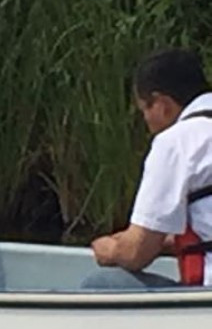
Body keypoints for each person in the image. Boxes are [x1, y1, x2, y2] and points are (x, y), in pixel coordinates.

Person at [83, 48, 212, 288]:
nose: (146, 121)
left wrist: (110, 250)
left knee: (100, 283)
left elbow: (135, 255)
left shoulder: (176, 142)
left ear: (162, 104)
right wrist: (165, 241)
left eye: (144, 109)